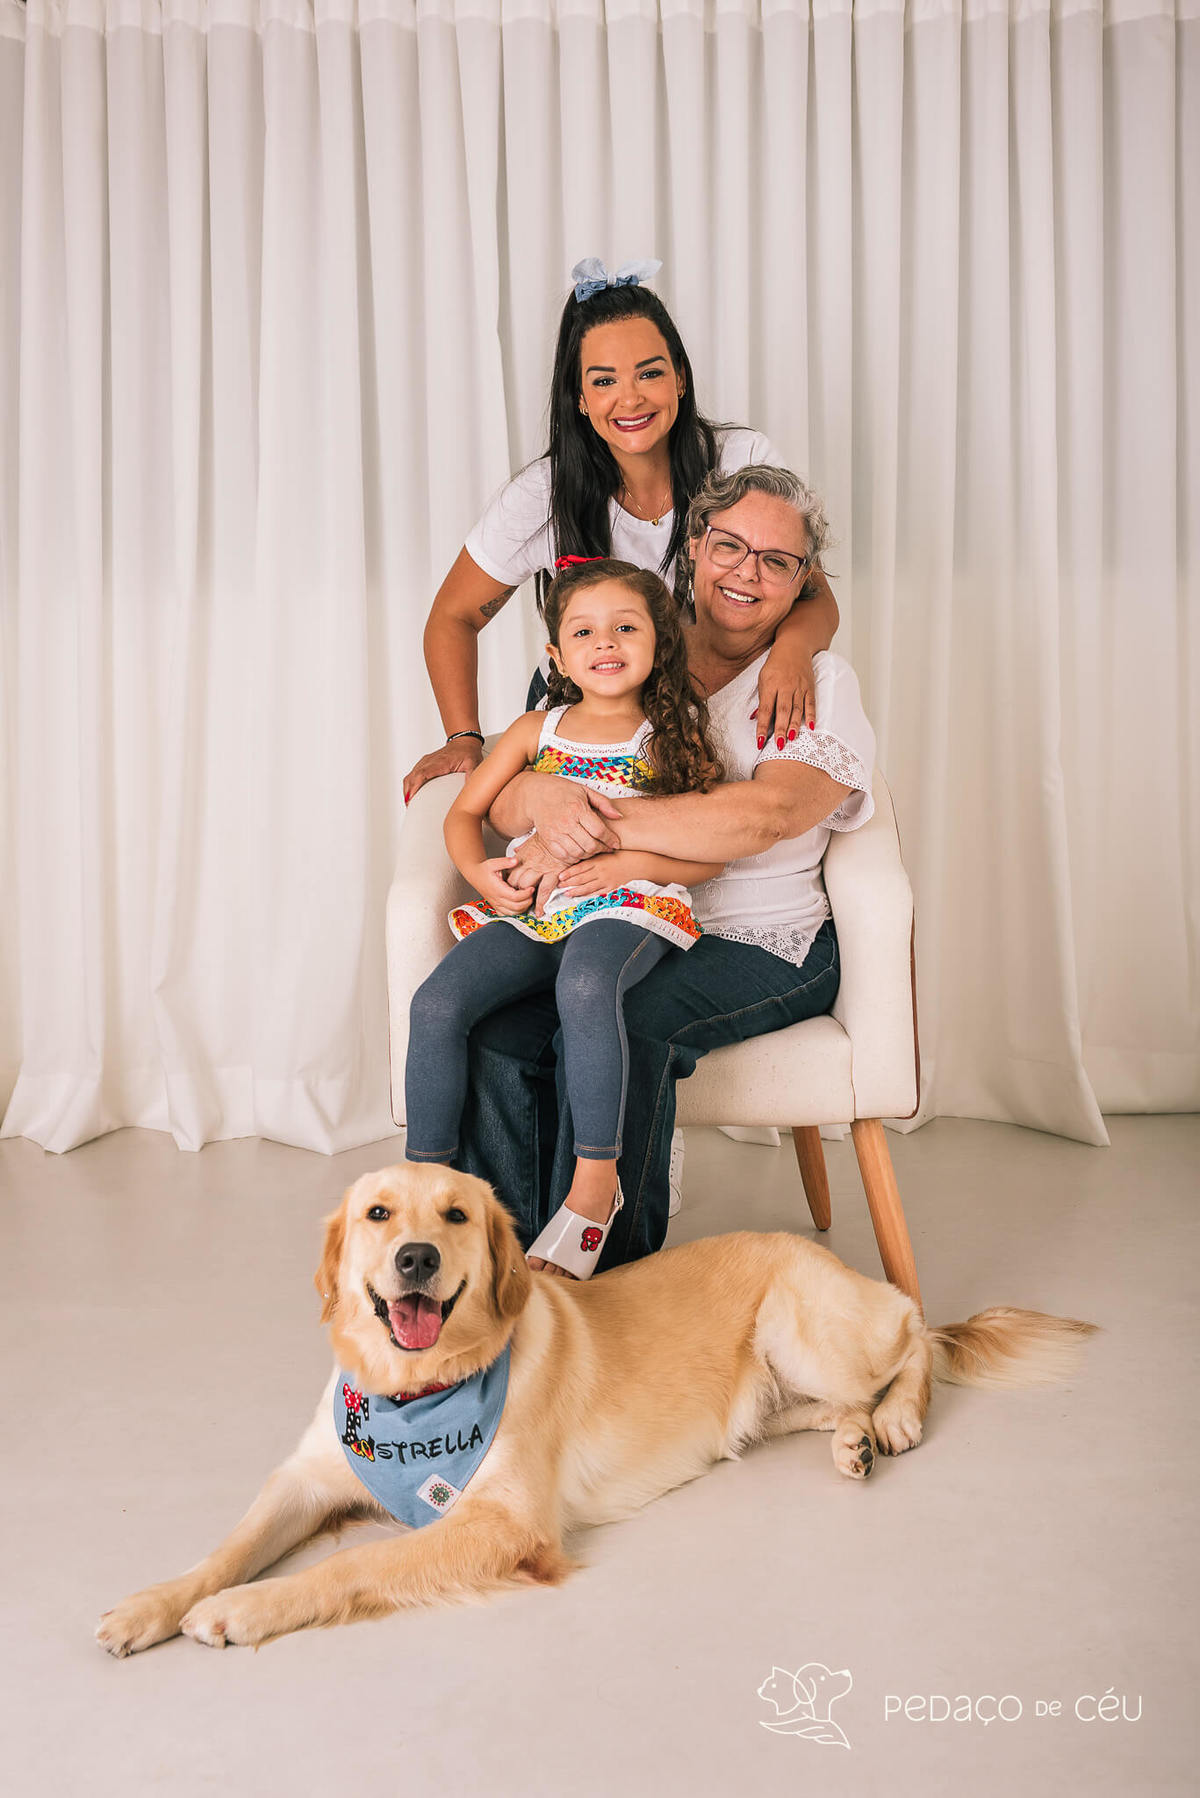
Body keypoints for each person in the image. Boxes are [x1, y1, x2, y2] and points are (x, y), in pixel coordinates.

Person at [449, 464, 877, 1271]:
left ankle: (606, 1275)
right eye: (729, 546)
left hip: (757, 938)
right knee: (499, 1030)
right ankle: (500, 1268)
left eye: (776, 561)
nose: (747, 572)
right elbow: (506, 797)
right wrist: (541, 790)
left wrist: (596, 826)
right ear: (694, 546)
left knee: (626, 1022)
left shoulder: (818, 679)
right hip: (613, 917)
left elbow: (767, 815)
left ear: (802, 585)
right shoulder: (628, 647)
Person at [402, 260, 840, 802]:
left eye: (650, 373)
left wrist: (792, 653)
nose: (629, 399)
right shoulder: (543, 495)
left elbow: (811, 592)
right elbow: (452, 615)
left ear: (680, 376)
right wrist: (463, 735)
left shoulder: (740, 461)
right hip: (588, 721)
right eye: (604, 381)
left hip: (705, 709)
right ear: (580, 398)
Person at [404, 558, 725, 1279]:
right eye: (584, 631)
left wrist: (631, 867)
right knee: (439, 1002)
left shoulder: (671, 735)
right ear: (557, 656)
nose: (604, 642)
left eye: (625, 627)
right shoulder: (533, 730)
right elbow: (465, 814)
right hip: (536, 906)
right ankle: (424, 1190)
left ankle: (594, 1183)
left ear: (658, 643)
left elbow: (710, 855)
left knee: (586, 986)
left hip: (627, 904)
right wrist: (481, 870)